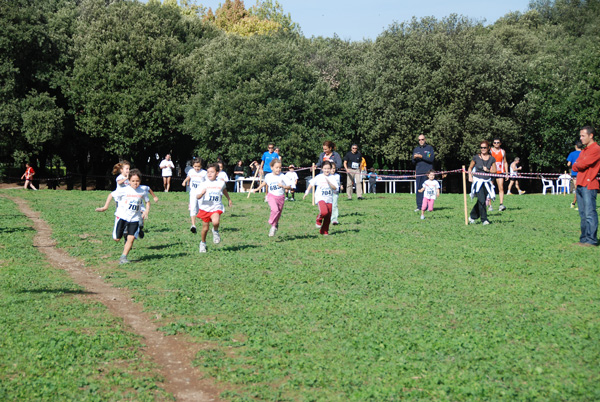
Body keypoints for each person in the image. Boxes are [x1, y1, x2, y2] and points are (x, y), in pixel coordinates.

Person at [95, 169, 150, 264]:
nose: (135, 183)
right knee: (117, 239)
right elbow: (111, 195)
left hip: (135, 218)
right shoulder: (124, 190)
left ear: (140, 181)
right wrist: (105, 207)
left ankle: (123, 257)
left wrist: (146, 212)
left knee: (131, 238)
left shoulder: (142, 191)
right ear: (129, 181)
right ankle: (123, 234)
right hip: (122, 216)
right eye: (133, 181)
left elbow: (147, 202)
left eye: (137, 181)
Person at [572, 126, 600, 247]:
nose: (580, 138)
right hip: (580, 184)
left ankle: (591, 239)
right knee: (583, 214)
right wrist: (578, 164)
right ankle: (583, 238)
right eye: (580, 136)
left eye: (583, 136)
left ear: (591, 135)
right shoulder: (584, 150)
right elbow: (575, 165)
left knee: (590, 213)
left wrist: (578, 164)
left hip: (589, 184)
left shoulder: (596, 149)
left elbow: (582, 164)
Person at [195, 163, 233, 253]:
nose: (209, 174)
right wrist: (201, 194)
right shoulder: (203, 184)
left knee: (216, 222)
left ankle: (215, 230)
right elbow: (197, 196)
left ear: (217, 173)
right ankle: (203, 243)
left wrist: (229, 199)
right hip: (205, 208)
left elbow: (223, 190)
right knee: (205, 228)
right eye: (208, 172)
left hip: (216, 207)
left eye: (212, 172)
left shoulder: (221, 183)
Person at [251, 159, 292, 236]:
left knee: (278, 214)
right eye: (276, 167)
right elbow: (264, 183)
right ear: (271, 167)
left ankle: (273, 227)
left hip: (281, 197)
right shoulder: (268, 176)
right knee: (275, 210)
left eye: (280, 168)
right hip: (271, 196)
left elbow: (290, 186)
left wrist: (283, 186)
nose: (278, 169)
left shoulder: (282, 176)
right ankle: (271, 221)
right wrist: (257, 189)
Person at [304, 161, 338, 235]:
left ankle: (324, 231)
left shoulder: (332, 177)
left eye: (328, 168)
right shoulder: (319, 177)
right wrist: (307, 192)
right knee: (324, 212)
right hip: (320, 198)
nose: (327, 170)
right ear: (322, 169)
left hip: (329, 199)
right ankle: (318, 219)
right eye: (325, 168)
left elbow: (335, 188)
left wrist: (330, 183)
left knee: (328, 216)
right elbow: (311, 183)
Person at [468, 140, 497, 225]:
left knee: (482, 200)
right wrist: (470, 176)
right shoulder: (476, 157)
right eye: (481, 148)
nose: (483, 149)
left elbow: (495, 171)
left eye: (484, 147)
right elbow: (470, 168)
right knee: (481, 200)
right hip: (478, 182)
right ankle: (484, 219)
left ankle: (472, 216)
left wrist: (488, 170)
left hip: (487, 182)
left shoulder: (492, 159)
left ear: (488, 148)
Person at [181, 159, 207, 233]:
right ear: (193, 166)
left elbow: (207, 182)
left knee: (200, 209)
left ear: (201, 166)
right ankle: (193, 225)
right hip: (193, 192)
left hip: (201, 194)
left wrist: (205, 191)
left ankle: (204, 224)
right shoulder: (191, 171)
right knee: (192, 208)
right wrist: (184, 181)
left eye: (198, 166)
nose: (197, 168)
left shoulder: (204, 173)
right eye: (195, 166)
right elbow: (189, 176)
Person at [412, 135, 434, 211]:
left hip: (427, 172)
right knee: (419, 189)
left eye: (422, 139)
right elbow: (413, 162)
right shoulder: (416, 149)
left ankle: (428, 206)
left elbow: (430, 159)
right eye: (419, 140)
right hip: (419, 172)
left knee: (427, 189)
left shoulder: (429, 148)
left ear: (425, 139)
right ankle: (419, 206)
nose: (421, 141)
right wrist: (414, 158)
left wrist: (421, 157)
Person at [490, 138, 508, 211]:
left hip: (500, 172)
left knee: (501, 188)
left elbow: (505, 162)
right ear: (493, 144)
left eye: (498, 142)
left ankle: (501, 204)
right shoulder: (490, 151)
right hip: (491, 172)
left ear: (500, 143)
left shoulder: (503, 151)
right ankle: (490, 205)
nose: (496, 144)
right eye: (495, 143)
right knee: (490, 188)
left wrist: (507, 173)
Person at [567, 141, 582, 208]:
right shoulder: (584, 153)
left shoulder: (572, 154)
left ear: (576, 146)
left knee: (577, 189)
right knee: (582, 188)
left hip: (575, 173)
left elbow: (568, 164)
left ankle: (576, 204)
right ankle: (574, 203)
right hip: (583, 173)